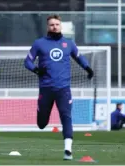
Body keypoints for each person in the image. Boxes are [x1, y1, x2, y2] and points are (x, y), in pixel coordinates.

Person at [24, 14, 94, 160]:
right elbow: (27, 61)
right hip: (46, 88)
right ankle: (41, 114)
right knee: (42, 124)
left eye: (57, 24)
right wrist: (36, 70)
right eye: (51, 25)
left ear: (60, 26)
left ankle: (68, 150)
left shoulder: (69, 44)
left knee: (66, 117)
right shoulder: (39, 43)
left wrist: (88, 68)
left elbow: (79, 57)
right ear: (47, 27)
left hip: (63, 88)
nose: (54, 27)